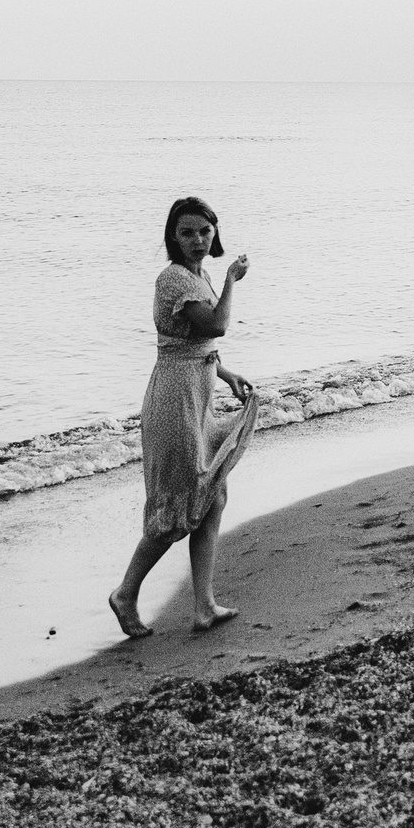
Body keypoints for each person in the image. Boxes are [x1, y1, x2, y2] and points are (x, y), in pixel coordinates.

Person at [108, 195, 258, 636]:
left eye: (205, 231)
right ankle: (125, 593)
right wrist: (232, 280)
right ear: (173, 236)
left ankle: (204, 606)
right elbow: (215, 325)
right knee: (176, 509)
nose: (197, 240)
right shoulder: (174, 278)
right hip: (176, 404)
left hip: (198, 394)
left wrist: (224, 371)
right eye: (187, 232)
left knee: (212, 496)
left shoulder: (197, 274)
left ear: (215, 233)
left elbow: (196, 342)